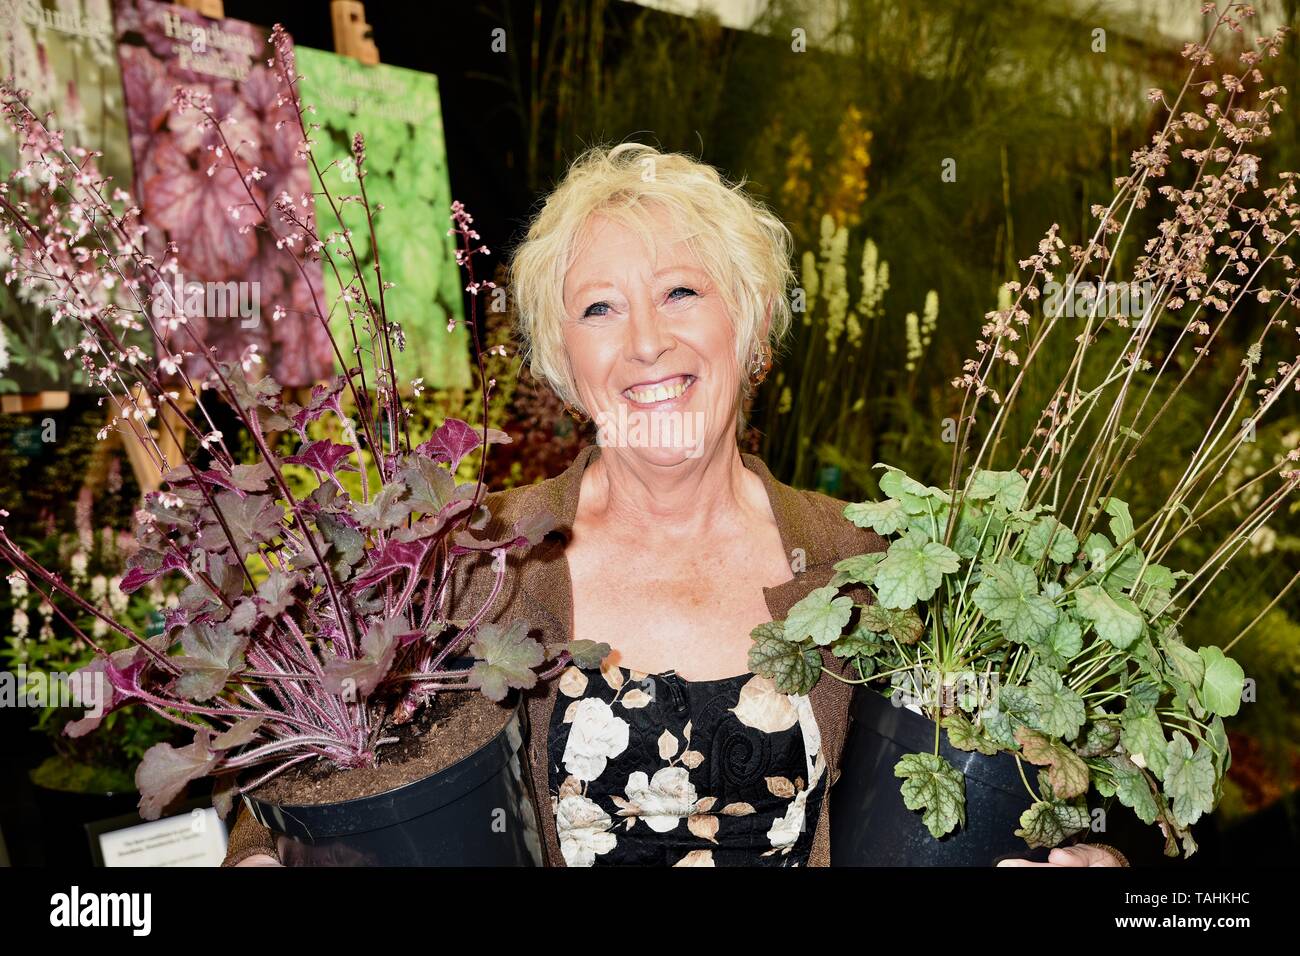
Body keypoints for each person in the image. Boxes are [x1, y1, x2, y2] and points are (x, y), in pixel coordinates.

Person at [223, 143, 1126, 868]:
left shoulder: (866, 564)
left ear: (753, 320)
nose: (648, 342)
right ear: (563, 363)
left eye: (681, 292)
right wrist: (260, 858)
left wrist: (1086, 854)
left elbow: (1012, 778)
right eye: (601, 309)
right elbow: (322, 787)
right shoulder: (470, 565)